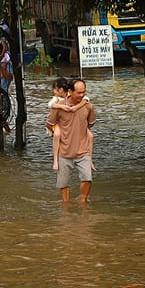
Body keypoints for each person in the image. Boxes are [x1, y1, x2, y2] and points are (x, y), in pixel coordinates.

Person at [54, 77, 95, 208]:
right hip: (64, 151)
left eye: (84, 92)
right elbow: (50, 124)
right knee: (63, 184)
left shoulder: (88, 106)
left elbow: (91, 123)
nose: (82, 95)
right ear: (70, 91)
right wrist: (58, 130)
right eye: (79, 92)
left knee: (87, 178)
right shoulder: (59, 107)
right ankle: (66, 206)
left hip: (83, 151)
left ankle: (82, 201)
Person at [44, 77, 70, 173]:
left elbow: (86, 98)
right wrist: (61, 105)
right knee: (57, 134)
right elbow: (50, 104)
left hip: (69, 121)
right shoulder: (56, 98)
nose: (53, 91)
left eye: (54, 89)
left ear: (60, 90)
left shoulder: (71, 95)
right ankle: (55, 159)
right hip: (57, 122)